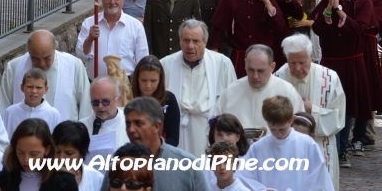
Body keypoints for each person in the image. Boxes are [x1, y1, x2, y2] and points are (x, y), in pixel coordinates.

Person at [310, 0, 378, 161]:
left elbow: (357, 28)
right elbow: (318, 28)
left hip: (352, 61)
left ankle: (342, 147)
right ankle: (333, 146)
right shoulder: (329, 0)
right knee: (329, 104)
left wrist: (339, 10)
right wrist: (329, 9)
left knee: (348, 106)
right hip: (330, 60)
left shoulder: (364, 3)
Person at [276, 34, 345, 186]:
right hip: (286, 152)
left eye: (302, 62)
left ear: (311, 56)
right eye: (292, 63)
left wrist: (312, 110)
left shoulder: (329, 78)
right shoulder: (278, 78)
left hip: (321, 148)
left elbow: (339, 117)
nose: (297, 68)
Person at [161, 20, 236, 157]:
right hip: (178, 131)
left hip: (208, 131)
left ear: (205, 42)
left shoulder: (222, 64)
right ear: (180, 41)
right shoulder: (166, 64)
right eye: (186, 40)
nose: (190, 46)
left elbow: (231, 102)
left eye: (196, 41)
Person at [99, 97, 208, 191]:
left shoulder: (187, 164)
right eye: (128, 123)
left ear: (157, 126)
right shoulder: (119, 162)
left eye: (139, 123)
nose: (131, 129)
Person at [209, 0, 289, 77]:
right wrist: (214, 56)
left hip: (263, 57)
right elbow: (217, 29)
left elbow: (279, 26)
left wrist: (267, 2)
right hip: (239, 59)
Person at [237, 96, 334, 190]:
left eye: (282, 129)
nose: (278, 134)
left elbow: (319, 179)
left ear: (292, 119)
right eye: (273, 129)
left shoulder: (307, 144)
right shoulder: (258, 147)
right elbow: (245, 176)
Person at [0, 30, 92, 121]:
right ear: (29, 52)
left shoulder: (74, 66)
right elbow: (4, 110)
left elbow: (86, 107)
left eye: (47, 58)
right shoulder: (13, 68)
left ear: (54, 50)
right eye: (35, 58)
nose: (42, 64)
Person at [216, 45, 303, 132]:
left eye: (261, 71)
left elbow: (300, 129)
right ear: (245, 64)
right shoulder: (231, 91)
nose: (255, 76)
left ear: (272, 67)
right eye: (251, 70)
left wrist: (270, 134)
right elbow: (215, 126)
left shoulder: (287, 91)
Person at [76, 0, 149, 80]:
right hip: (95, 84)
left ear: (123, 1)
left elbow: (142, 60)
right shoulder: (90, 23)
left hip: (124, 86)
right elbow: (81, 56)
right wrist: (90, 38)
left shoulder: (135, 26)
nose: (112, 2)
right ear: (102, 1)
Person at [0, 118, 78, 191]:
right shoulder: (0, 181)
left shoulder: (65, 183)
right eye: (20, 152)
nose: (26, 160)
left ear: (47, 149)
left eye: (34, 154)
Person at [130, 55, 180, 146]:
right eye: (144, 80)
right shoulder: (129, 98)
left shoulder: (168, 99)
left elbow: (173, 137)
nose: (148, 85)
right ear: (137, 78)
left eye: (153, 81)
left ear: (160, 80)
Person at [78, 76, 130, 158]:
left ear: (119, 100)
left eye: (105, 101)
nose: (100, 106)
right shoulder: (81, 127)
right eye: (95, 102)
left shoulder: (130, 125)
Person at [3, 68, 61, 139]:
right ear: (22, 87)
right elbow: (4, 141)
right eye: (30, 87)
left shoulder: (53, 114)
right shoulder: (10, 112)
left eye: (38, 87)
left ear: (46, 89)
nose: (34, 91)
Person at [51, 121, 104, 191]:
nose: (61, 158)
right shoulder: (42, 176)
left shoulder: (97, 178)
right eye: (57, 151)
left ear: (82, 153)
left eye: (69, 153)